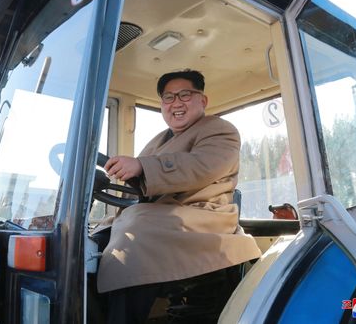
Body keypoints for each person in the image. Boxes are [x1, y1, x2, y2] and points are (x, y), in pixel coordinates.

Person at [97, 69, 261, 323]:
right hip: (164, 215)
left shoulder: (220, 130)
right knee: (97, 234)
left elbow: (200, 166)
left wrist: (141, 167)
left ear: (202, 101)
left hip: (204, 216)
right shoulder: (158, 140)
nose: (176, 103)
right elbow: (146, 180)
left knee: (136, 229)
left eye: (185, 95)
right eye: (168, 97)